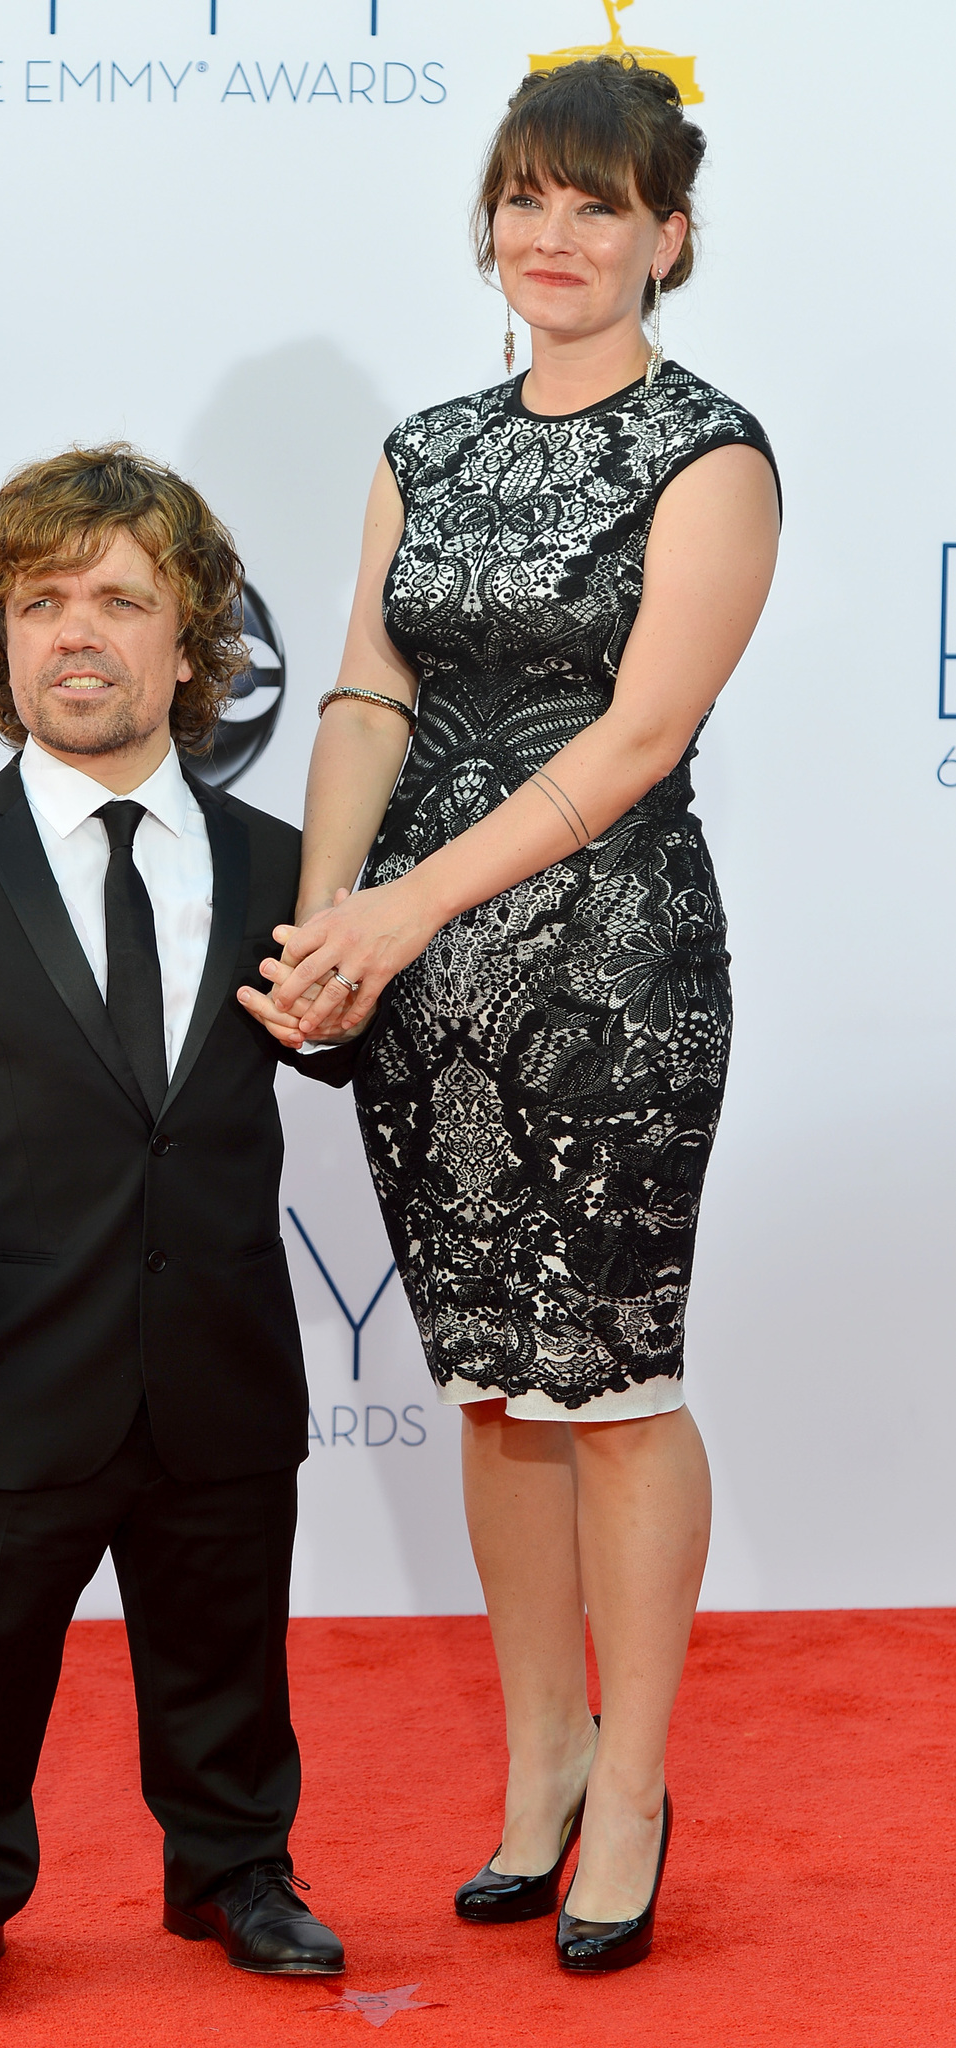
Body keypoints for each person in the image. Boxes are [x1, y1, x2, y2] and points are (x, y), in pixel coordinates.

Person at [238, 58, 780, 1972]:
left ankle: (633, 1782)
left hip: (610, 974)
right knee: (494, 1382)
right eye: (526, 200)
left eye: (596, 208)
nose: (553, 239)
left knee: (613, 1389)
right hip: (420, 992)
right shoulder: (429, 445)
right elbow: (371, 696)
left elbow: (635, 740)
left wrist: (391, 908)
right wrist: (325, 930)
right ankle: (538, 1762)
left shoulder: (707, 454)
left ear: (668, 236)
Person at [0, 447, 360, 2017]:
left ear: (188, 644)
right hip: (9, 1346)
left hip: (217, 1344)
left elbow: (341, 1052)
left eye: (120, 599)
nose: (76, 631)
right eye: (38, 601)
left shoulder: (285, 869)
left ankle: (237, 1871)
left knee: (225, 1646)